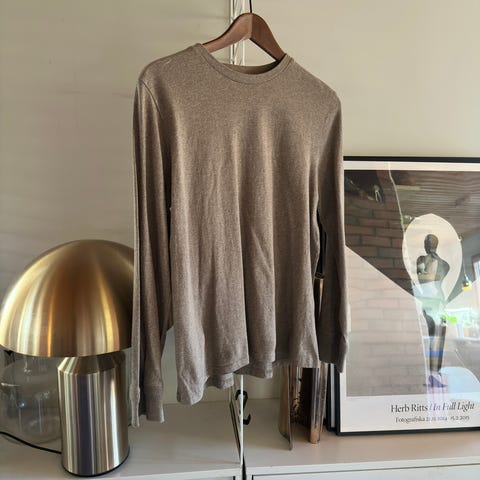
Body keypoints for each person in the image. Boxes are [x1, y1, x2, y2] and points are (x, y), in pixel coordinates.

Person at [416, 234, 450, 388]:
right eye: (427, 242)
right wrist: (432, 275)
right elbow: (422, 279)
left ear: (436, 244)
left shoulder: (445, 264)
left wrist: (431, 275)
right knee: (431, 338)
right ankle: (431, 375)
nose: (428, 244)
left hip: (441, 303)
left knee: (440, 339)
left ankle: (438, 374)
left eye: (430, 242)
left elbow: (430, 277)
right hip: (428, 303)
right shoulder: (421, 260)